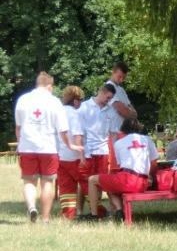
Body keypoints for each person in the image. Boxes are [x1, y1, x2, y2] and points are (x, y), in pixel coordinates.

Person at [14, 71, 78, 223]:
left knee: (29, 181)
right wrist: (69, 144)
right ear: (49, 86)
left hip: (27, 147)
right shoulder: (54, 102)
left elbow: (18, 127)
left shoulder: (23, 99)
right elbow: (63, 130)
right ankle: (45, 219)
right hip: (48, 148)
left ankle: (31, 207)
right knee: (47, 182)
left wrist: (19, 143)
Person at [86, 118, 158, 221]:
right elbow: (154, 163)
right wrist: (150, 176)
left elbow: (121, 166)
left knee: (92, 180)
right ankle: (119, 211)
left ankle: (94, 215)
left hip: (127, 179)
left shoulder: (118, 143)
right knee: (110, 185)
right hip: (142, 183)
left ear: (123, 129)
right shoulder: (147, 139)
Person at [77, 83, 117, 216]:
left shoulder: (110, 111)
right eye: (107, 97)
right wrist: (80, 152)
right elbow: (78, 132)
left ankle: (96, 210)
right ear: (101, 92)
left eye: (110, 99)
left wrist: (115, 152)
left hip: (103, 152)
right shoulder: (84, 107)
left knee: (99, 181)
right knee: (84, 182)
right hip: (87, 151)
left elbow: (113, 134)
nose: (108, 101)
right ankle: (80, 210)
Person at [57, 86, 85, 219]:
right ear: (75, 101)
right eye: (81, 99)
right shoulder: (75, 114)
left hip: (60, 156)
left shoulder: (58, 112)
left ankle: (68, 214)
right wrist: (82, 156)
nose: (81, 103)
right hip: (74, 157)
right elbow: (77, 135)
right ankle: (97, 210)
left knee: (65, 186)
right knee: (86, 183)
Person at [106, 61, 137, 172]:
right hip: (113, 132)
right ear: (113, 72)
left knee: (124, 165)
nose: (121, 80)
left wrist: (128, 112)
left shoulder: (121, 90)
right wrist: (128, 112)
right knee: (114, 166)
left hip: (123, 132)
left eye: (123, 77)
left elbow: (132, 110)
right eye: (119, 76)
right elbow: (121, 109)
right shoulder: (109, 87)